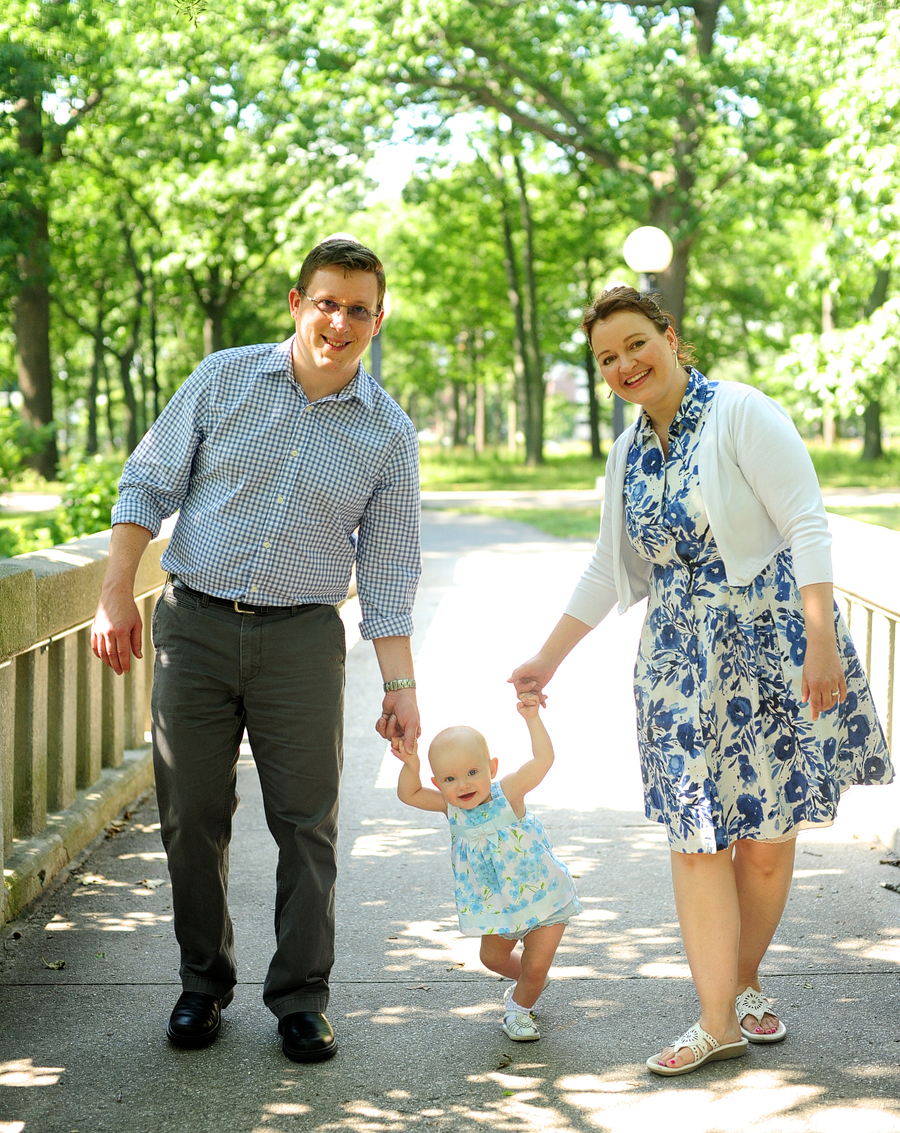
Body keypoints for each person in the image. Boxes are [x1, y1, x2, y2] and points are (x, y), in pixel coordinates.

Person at [509, 286, 892, 1076]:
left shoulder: (740, 411)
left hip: (777, 643)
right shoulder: (625, 452)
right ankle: (716, 1016)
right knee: (695, 833)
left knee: (762, 842)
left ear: (670, 336)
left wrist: (821, 642)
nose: (624, 365)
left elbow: (806, 522)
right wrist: (547, 658)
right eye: (607, 357)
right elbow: (607, 568)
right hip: (680, 662)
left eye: (635, 344)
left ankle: (744, 977)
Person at [91, 237, 422, 1063]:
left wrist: (401, 684)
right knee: (191, 816)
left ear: (376, 321)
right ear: (295, 303)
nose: (337, 321)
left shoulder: (389, 433)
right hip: (194, 626)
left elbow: (387, 568)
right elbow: (147, 482)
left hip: (303, 641)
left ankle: (302, 998)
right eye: (325, 301)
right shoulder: (222, 377)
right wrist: (113, 595)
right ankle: (202, 984)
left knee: (306, 824)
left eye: (356, 309)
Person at [392, 696, 581, 1041]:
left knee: (537, 965)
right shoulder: (450, 809)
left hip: (543, 896)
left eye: (473, 773)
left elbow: (543, 759)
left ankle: (519, 1010)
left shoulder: (508, 793)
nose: (463, 785)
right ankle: (530, 981)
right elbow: (409, 793)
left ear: (491, 768)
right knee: (492, 959)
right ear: (438, 783)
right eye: (450, 778)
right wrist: (411, 764)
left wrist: (532, 717)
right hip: (495, 905)